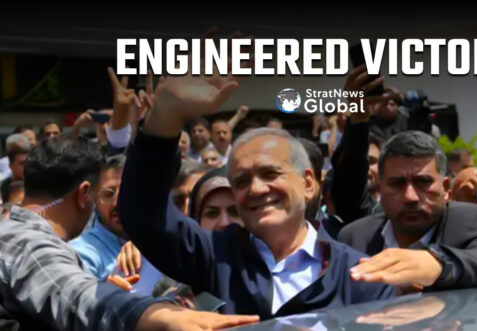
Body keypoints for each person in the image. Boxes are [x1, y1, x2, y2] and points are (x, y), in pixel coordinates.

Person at [118, 71, 395, 320]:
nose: (256, 189)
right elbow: (145, 215)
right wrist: (165, 116)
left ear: (308, 184)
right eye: (241, 181)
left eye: (270, 174)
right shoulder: (215, 257)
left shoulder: (362, 277)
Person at [0, 134, 258, 330]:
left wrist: (102, 289)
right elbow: (72, 295)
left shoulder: (12, 229)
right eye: (105, 192)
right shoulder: (26, 242)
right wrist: (160, 316)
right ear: (84, 194)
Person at [339, 131, 477, 290]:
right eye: (397, 184)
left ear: (446, 189)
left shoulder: (473, 220)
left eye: (423, 182)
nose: (410, 197)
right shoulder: (355, 238)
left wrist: (437, 265)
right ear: (381, 189)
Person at [69, 155, 162, 293]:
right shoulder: (82, 252)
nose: (118, 202)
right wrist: (104, 295)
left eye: (128, 191)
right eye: (108, 194)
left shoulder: (162, 238)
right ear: (95, 199)